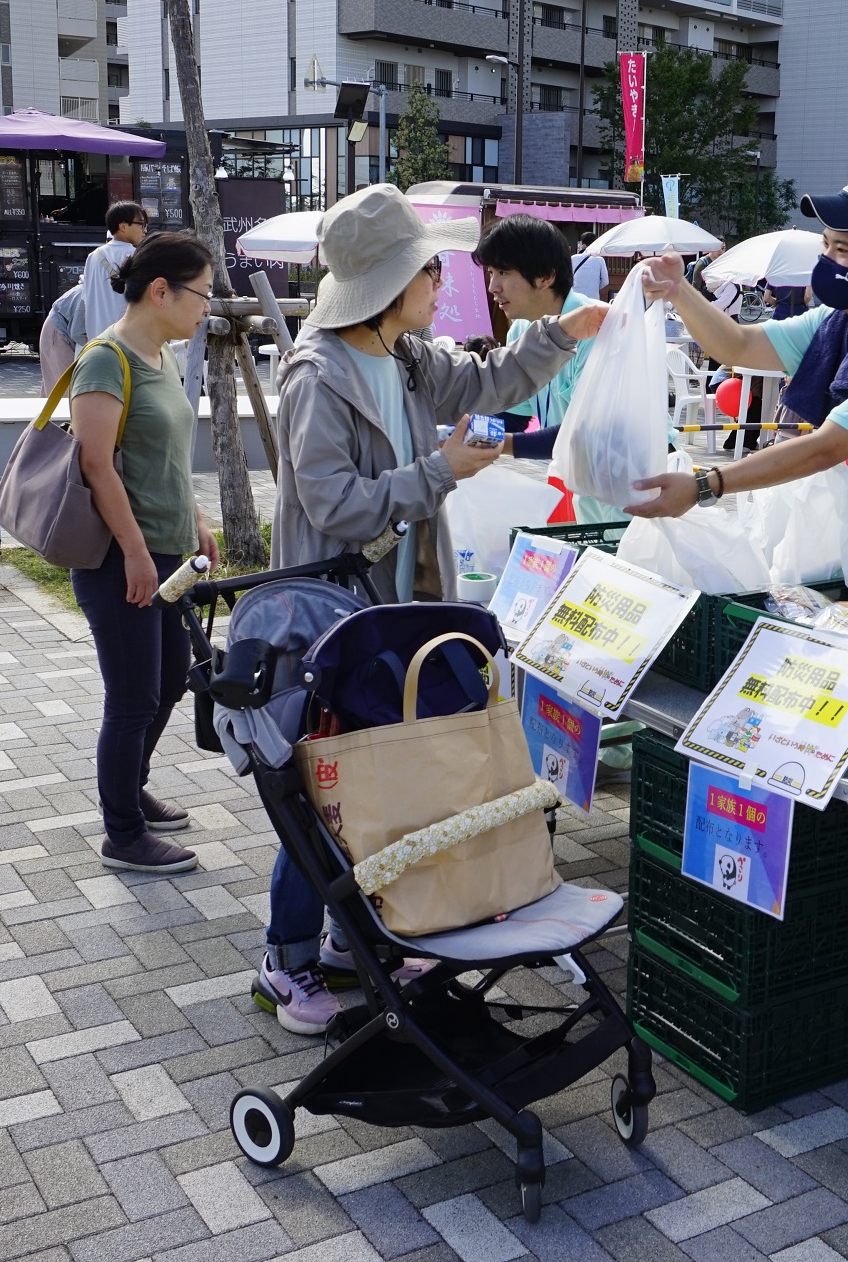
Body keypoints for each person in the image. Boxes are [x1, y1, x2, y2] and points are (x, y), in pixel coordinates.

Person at [259, 184, 605, 1034]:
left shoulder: (407, 355)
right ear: (388, 282)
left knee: (383, 775)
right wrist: (446, 470)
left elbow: (490, 379)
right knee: (322, 785)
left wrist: (566, 333)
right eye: (429, 268)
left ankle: (349, 938)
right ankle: (286, 957)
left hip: (398, 610)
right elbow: (335, 505)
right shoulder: (318, 375)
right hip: (334, 616)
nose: (443, 281)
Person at [626, 174, 848, 535]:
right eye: (826, 245)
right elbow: (737, 345)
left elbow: (826, 447)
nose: (827, 260)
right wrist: (679, 291)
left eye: (842, 250)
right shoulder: (837, 324)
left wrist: (705, 485)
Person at [67, 231, 219, 879]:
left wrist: (198, 519)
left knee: (167, 683)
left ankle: (133, 789)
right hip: (121, 559)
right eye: (202, 294)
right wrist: (134, 552)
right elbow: (97, 465)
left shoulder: (158, 355)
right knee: (132, 698)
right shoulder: (106, 358)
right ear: (161, 290)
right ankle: (122, 831)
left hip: (167, 552)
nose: (206, 308)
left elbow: (164, 456)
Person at [475, 213, 614, 520]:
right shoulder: (521, 330)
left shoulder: (597, 328)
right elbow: (514, 415)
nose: (493, 287)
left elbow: (584, 435)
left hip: (629, 494)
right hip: (577, 487)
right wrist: (469, 431)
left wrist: (491, 443)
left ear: (545, 276)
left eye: (503, 272)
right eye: (490, 273)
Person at [78, 200, 148, 342]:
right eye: (141, 224)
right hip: (124, 343)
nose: (145, 230)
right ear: (122, 226)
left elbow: (86, 298)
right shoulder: (137, 256)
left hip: (96, 342)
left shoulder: (93, 256)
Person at [38, 281, 86, 396]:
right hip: (58, 330)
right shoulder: (87, 296)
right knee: (62, 390)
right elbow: (79, 333)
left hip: (64, 325)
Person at [571, 232, 608, 299]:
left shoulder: (573, 258)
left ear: (583, 244)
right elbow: (605, 281)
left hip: (575, 297)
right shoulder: (600, 260)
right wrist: (594, 288)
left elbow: (568, 278)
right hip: (593, 298)